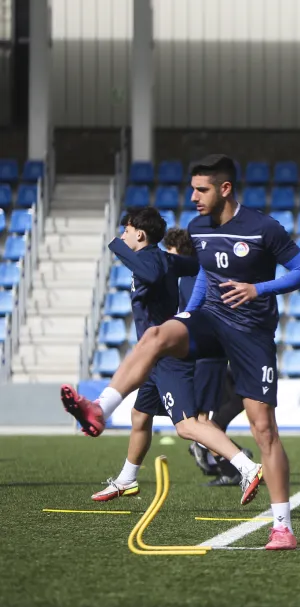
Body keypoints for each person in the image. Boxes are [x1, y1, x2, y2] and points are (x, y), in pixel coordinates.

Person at [60, 154, 300, 551]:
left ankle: (282, 526)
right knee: (158, 335)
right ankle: (101, 409)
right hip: (209, 320)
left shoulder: (264, 227)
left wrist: (258, 289)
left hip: (251, 333)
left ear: (224, 189)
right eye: (192, 188)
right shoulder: (197, 228)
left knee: (263, 429)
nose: (193, 197)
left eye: (202, 189)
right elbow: (204, 277)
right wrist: (187, 314)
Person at [90, 208, 203, 501]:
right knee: (140, 415)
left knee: (187, 426)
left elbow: (152, 273)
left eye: (126, 230)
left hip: (163, 353)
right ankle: (127, 480)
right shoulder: (163, 259)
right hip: (153, 356)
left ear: (139, 234)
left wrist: (115, 245)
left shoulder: (150, 259)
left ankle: (244, 464)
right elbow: (194, 266)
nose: (123, 235)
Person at [163, 226, 249, 487]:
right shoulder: (203, 274)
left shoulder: (191, 278)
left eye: (170, 251)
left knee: (198, 420)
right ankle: (233, 458)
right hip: (211, 354)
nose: (168, 256)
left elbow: (192, 316)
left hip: (203, 355)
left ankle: (235, 465)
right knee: (200, 419)